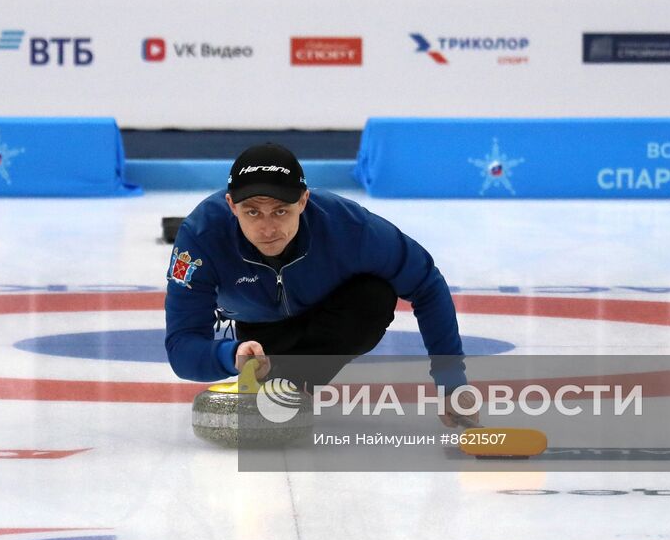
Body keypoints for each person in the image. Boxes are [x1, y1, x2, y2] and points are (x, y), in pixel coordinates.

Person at [164, 143, 469, 425]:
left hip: (334, 318)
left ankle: (293, 384)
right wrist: (232, 355)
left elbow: (427, 284)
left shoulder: (349, 226)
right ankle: (277, 379)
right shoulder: (201, 238)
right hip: (259, 337)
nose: (267, 228)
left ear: (303, 200)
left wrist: (452, 382)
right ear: (231, 205)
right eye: (252, 212)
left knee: (374, 296)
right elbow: (182, 345)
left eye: (280, 211)